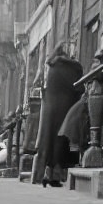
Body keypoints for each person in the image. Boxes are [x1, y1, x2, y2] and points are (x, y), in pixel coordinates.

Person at [31, 45, 84, 187]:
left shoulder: (52, 68)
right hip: (65, 106)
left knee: (48, 140)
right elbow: (78, 87)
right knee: (62, 140)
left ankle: (46, 174)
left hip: (50, 108)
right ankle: (55, 175)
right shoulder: (72, 67)